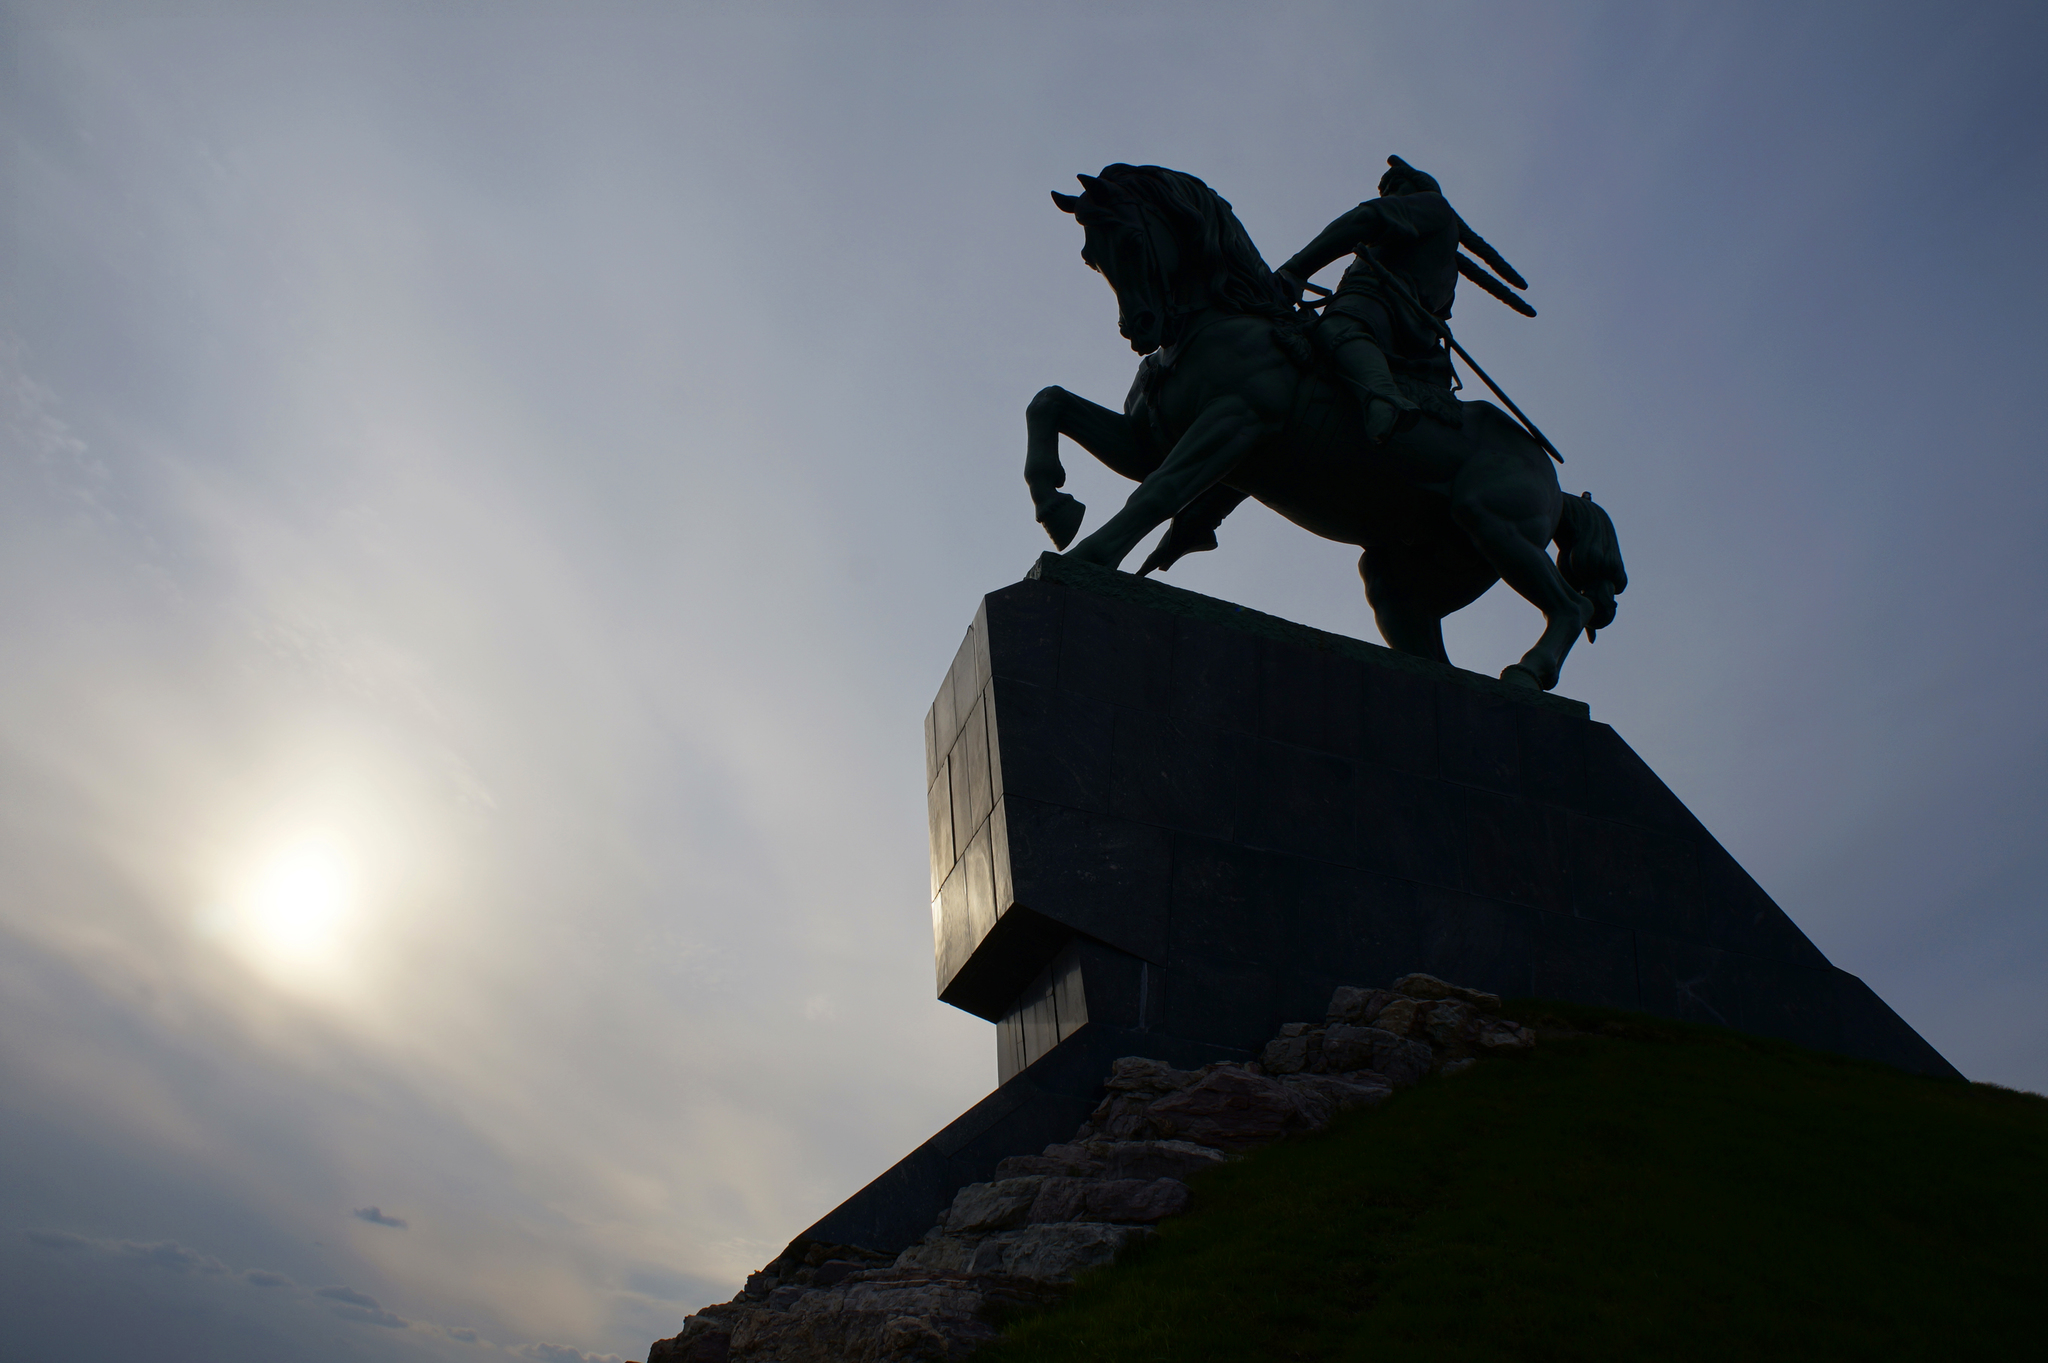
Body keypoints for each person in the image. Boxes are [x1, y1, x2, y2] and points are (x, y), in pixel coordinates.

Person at [1274, 156, 1470, 443]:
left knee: (1337, 329)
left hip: (1391, 308)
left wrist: (1295, 271)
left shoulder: (1432, 206)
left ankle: (1385, 397)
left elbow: (1367, 218)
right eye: (1385, 190)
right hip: (1385, 310)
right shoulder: (1436, 244)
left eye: (1396, 185)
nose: (1388, 194)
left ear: (1419, 188)